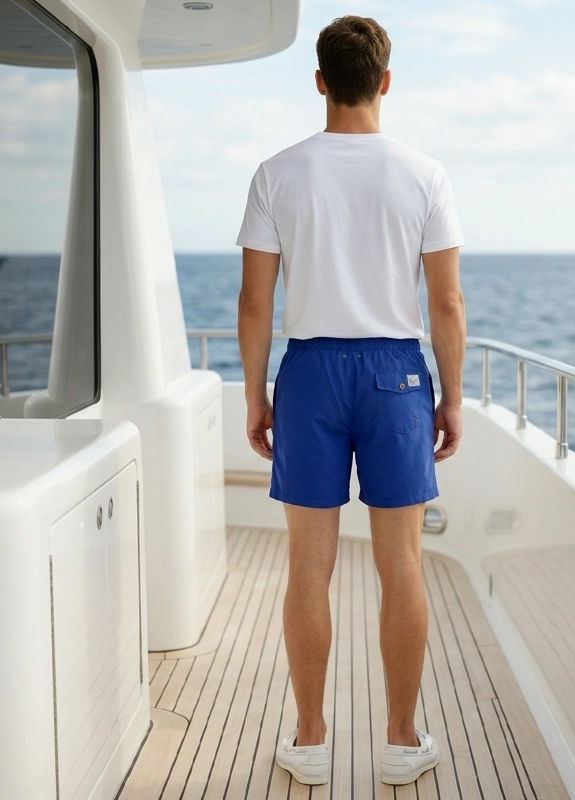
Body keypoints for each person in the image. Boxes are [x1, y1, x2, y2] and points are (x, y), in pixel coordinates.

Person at [236, 15, 465, 787]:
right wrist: (451, 398)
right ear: (385, 82)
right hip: (397, 375)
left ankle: (309, 742)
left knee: (309, 563)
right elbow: (447, 304)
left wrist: (255, 395)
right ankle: (401, 742)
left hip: (309, 375)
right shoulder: (424, 174)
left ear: (321, 82)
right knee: (402, 563)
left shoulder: (277, 173)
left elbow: (254, 303)